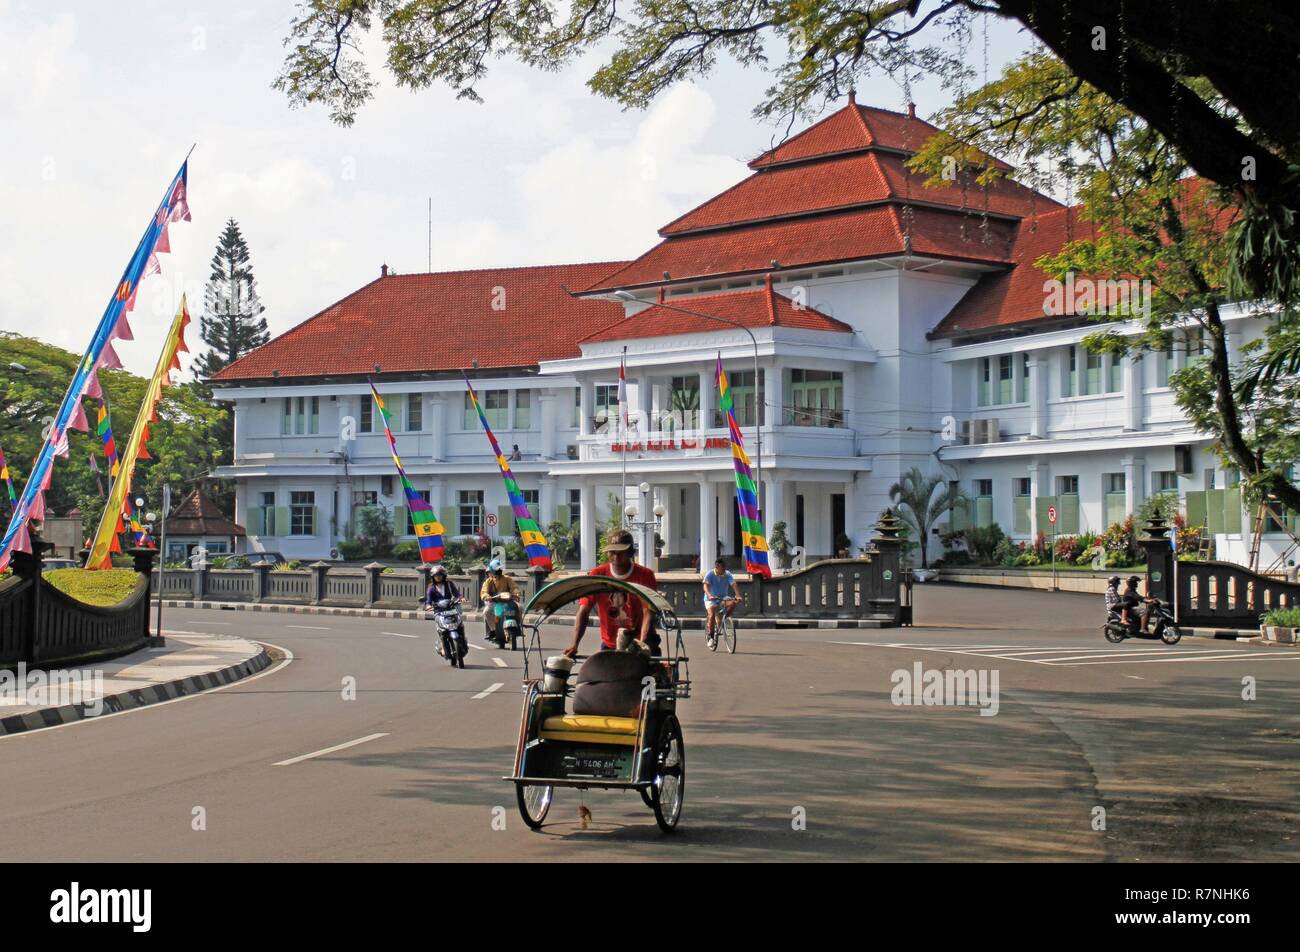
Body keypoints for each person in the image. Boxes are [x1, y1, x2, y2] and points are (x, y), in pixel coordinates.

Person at [565, 529, 659, 658]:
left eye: (621, 553)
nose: (616, 557)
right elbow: (584, 610)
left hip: (641, 639)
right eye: (612, 552)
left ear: (631, 552)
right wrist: (574, 644)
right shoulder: (597, 574)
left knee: (648, 674)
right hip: (610, 643)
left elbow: (648, 612)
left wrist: (641, 644)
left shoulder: (645, 575)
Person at [480, 558, 519, 647]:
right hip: (495, 602)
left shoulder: (507, 579)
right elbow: (484, 591)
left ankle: (518, 625)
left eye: (499, 569)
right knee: (486, 611)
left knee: (519, 607)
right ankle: (494, 630)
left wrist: (516, 593)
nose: (499, 571)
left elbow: (514, 587)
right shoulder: (489, 581)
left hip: (508, 601)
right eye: (497, 570)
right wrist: (487, 597)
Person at [703, 557, 740, 649]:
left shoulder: (727, 574)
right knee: (711, 615)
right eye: (722, 567)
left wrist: (738, 595)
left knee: (733, 602)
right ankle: (711, 637)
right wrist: (709, 595)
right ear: (717, 567)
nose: (724, 569)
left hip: (723, 597)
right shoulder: (710, 574)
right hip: (711, 598)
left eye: (724, 567)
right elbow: (705, 587)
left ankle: (726, 619)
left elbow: (733, 585)